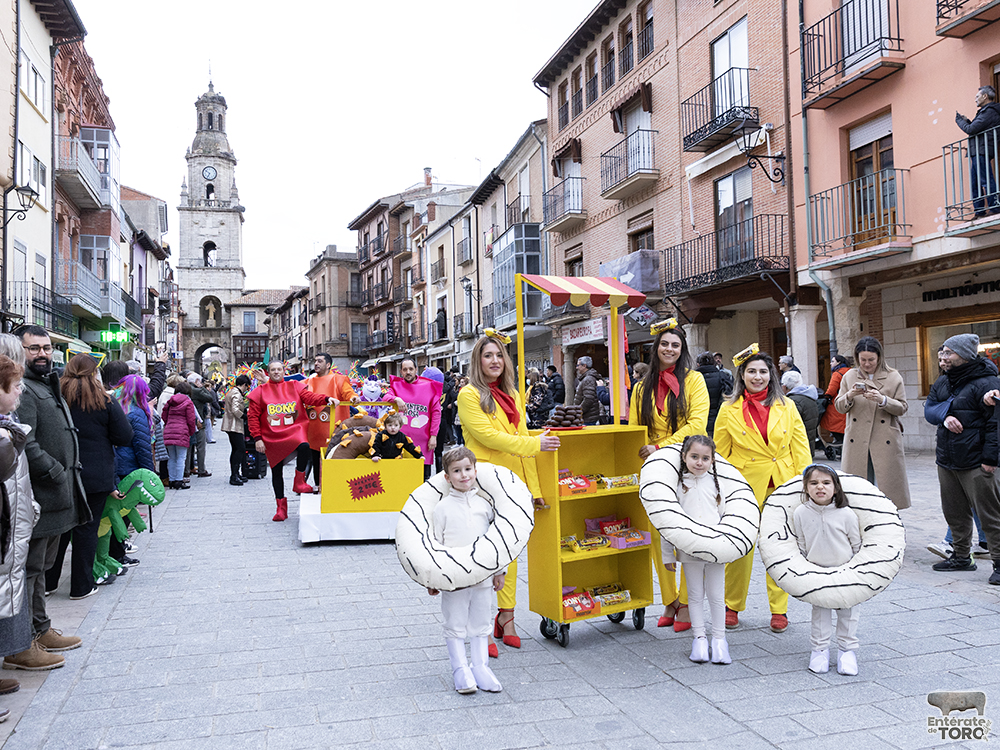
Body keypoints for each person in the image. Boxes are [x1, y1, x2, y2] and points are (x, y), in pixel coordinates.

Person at [457, 333, 560, 656]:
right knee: (487, 554)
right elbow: (488, 437)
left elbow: (520, 435)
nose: (495, 361)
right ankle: (483, 626)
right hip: (484, 482)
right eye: (488, 355)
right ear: (478, 361)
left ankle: (508, 616)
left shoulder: (513, 393)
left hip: (514, 482)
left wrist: (535, 487)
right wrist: (533, 443)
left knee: (511, 552)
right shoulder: (468, 394)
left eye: (499, 355)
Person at [5, 327, 90, 671]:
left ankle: (39, 629)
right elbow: (27, 441)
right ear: (19, 351)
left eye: (47, 347)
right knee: (29, 570)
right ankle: (23, 640)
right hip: (41, 493)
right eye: (34, 348)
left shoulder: (45, 384)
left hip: (57, 496)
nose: (42, 354)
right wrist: (54, 471)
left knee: (41, 567)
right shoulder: (23, 390)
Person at [715, 346, 811, 633]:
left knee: (778, 548)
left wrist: (805, 484)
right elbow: (720, 453)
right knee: (741, 549)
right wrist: (721, 489)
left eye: (763, 371)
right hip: (744, 488)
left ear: (772, 375)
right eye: (751, 371)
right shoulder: (728, 408)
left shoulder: (787, 406)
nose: (758, 377)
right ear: (741, 375)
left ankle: (779, 609)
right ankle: (731, 605)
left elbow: (801, 448)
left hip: (782, 485)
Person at [628, 320, 709, 632]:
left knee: (686, 534)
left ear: (682, 349)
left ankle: (688, 603)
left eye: (675, 345)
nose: (670, 349)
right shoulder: (640, 388)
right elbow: (636, 431)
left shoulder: (694, 381)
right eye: (665, 344)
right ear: (655, 348)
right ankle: (670, 599)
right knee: (656, 536)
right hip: (652, 470)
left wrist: (660, 446)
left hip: (687, 466)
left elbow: (698, 423)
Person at [426, 446, 504, 694]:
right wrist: (432, 577)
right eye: (456, 471)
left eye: (468, 469)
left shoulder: (485, 505)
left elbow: (496, 541)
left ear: (475, 471)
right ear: (447, 477)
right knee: (455, 622)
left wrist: (500, 570)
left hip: (482, 576)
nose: (463, 475)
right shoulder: (441, 509)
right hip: (454, 579)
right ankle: (460, 669)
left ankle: (481, 667)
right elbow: (435, 545)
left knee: (481, 622)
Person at [926, 334, 1000, 582]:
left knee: (990, 515)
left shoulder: (988, 382)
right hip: (947, 458)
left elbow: (995, 424)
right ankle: (960, 557)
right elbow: (929, 409)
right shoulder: (944, 380)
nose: (943, 357)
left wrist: (990, 460)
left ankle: (999, 564)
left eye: (948, 353)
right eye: (942, 352)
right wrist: (945, 416)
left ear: (964, 356)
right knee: (954, 512)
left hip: (977, 461)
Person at [59, 354, 133, 600]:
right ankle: (81, 585)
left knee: (59, 529)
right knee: (87, 529)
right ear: (94, 374)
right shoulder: (104, 401)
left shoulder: (59, 399)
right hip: (95, 473)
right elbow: (124, 436)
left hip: (62, 472)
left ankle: (49, 582)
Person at [663, 435, 731, 665]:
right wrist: (667, 553)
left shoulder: (718, 483)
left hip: (715, 548)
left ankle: (720, 640)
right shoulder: (677, 484)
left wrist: (728, 546)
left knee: (716, 595)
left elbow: (727, 516)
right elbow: (667, 521)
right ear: (684, 457)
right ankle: (699, 639)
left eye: (705, 458)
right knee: (694, 595)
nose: (699, 462)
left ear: (713, 460)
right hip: (690, 548)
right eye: (694, 457)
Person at [794, 464, 862, 676]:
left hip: (845, 572)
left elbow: (856, 544)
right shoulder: (800, 513)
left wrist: (854, 570)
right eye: (813, 483)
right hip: (817, 573)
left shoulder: (846, 514)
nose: (820, 487)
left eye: (826, 483)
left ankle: (846, 650)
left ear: (836, 488)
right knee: (820, 613)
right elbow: (801, 542)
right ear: (806, 487)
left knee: (848, 613)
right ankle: (820, 650)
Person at [0, 350, 41, 699]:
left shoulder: (9, 428)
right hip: (5, 530)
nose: (19, 393)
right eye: (14, 386)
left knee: (10, 591)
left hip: (14, 525)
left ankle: (16, 648)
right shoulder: (5, 434)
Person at [247, 360, 333, 522]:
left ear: (284, 371)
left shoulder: (294, 386)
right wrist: (257, 439)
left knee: (305, 446)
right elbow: (252, 417)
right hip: (272, 437)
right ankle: (281, 508)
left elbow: (310, 398)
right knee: (276, 471)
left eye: (279, 369)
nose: (276, 372)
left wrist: (326, 399)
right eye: (273, 370)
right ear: (269, 372)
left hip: (294, 431)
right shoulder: (260, 392)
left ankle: (299, 480)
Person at [835, 336, 911, 510]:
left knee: (887, 488)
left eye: (871, 360)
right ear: (857, 358)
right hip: (857, 438)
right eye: (863, 360)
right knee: (857, 489)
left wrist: (883, 400)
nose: (867, 364)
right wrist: (850, 395)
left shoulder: (893, 376)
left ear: (879, 357)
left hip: (885, 438)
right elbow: (839, 407)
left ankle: (888, 518)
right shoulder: (849, 376)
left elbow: (903, 407)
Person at [111, 374, 155, 569]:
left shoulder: (115, 408)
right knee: (124, 512)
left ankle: (115, 552)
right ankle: (118, 553)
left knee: (114, 512)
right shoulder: (136, 413)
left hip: (115, 464)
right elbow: (142, 446)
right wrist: (149, 473)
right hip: (129, 467)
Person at [305, 353, 360, 485]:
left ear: (328, 365)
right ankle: (318, 487)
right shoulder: (308, 381)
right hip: (314, 432)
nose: (316, 364)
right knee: (316, 461)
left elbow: (348, 393)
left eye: (319, 361)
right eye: (315, 361)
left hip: (335, 432)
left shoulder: (339, 379)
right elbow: (292, 388)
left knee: (334, 460)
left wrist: (353, 398)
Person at [386, 358, 441, 481]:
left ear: (416, 370)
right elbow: (385, 397)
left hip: (423, 441)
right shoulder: (396, 386)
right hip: (400, 440)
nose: (408, 372)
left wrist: (433, 436)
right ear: (401, 372)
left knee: (423, 477)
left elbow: (436, 414)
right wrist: (396, 399)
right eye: (405, 369)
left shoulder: (430, 387)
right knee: (401, 478)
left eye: (411, 369)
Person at [956, 85, 1000, 217]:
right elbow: (975, 127)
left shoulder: (990, 111)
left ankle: (995, 207)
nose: (975, 99)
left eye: (977, 96)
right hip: (978, 149)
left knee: (985, 179)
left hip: (982, 149)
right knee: (975, 182)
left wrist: (959, 121)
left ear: (985, 96)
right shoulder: (985, 112)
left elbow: (971, 129)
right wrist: (967, 121)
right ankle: (979, 210)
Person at [162, 380, 198, 490]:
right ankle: (179, 480)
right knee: (181, 458)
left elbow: (164, 415)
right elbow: (191, 420)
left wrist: (169, 423)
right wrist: (191, 432)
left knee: (171, 457)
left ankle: (172, 480)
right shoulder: (188, 402)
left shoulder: (170, 401)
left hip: (169, 430)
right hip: (182, 431)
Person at [782, 370, 820, 455]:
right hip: (808, 445)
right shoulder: (809, 397)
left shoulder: (792, 401)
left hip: (797, 448)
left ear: (784, 387)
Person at [819, 354, 850, 457]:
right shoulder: (851, 372)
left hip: (837, 404)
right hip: (849, 403)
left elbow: (832, 389)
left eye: (833, 361)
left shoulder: (837, 374)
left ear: (838, 362)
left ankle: (839, 444)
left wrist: (826, 396)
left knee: (832, 424)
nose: (830, 363)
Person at [223, 375, 252, 486]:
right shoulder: (236, 394)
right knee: (240, 449)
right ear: (244, 384)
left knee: (236, 449)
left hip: (231, 424)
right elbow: (235, 409)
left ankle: (236, 473)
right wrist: (244, 416)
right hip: (234, 425)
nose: (246, 389)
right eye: (247, 386)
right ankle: (234, 475)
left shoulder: (232, 391)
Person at [695, 351, 732, 436]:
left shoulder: (691, 379)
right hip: (719, 419)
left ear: (698, 365)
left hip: (699, 421)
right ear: (714, 364)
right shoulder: (723, 377)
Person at [186, 373, 212, 478]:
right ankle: (201, 469)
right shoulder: (196, 390)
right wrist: (202, 387)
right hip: (198, 421)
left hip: (188, 422)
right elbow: (209, 398)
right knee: (201, 447)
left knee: (189, 447)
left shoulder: (187, 389)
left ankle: (187, 469)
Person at [573, 356, 600, 426]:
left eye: (578, 365)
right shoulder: (586, 378)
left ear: (584, 366)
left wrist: (579, 412)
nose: (577, 367)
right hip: (588, 417)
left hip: (588, 418)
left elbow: (588, 399)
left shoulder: (588, 379)